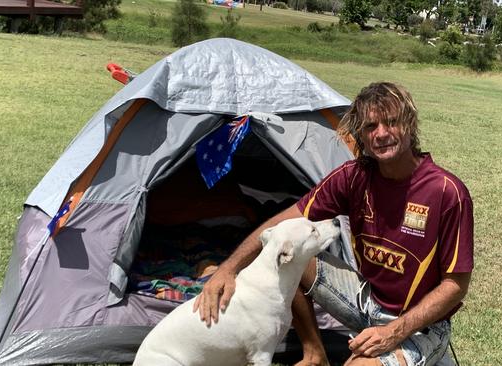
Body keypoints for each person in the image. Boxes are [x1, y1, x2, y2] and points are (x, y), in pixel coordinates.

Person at [193, 82, 474, 366]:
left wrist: (392, 332)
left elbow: (455, 286)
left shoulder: (446, 191)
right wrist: (228, 269)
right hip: (366, 300)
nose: (381, 134)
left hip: (418, 324)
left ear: (410, 124)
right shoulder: (354, 177)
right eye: (370, 126)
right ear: (360, 136)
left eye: (392, 122)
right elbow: (283, 224)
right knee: (287, 252)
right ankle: (314, 354)